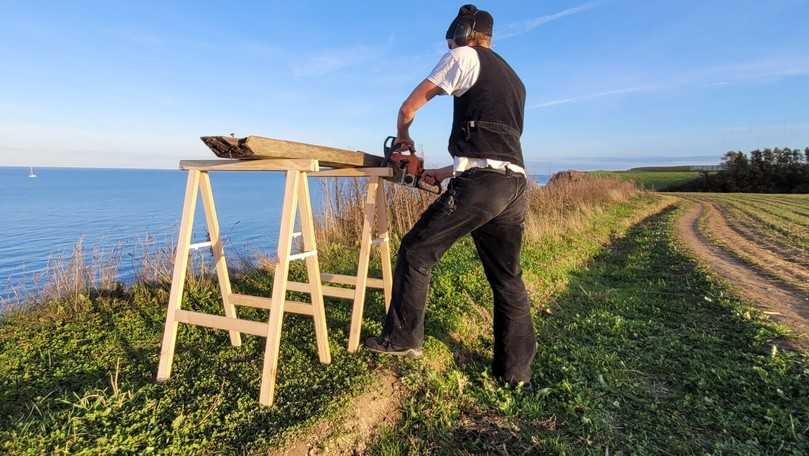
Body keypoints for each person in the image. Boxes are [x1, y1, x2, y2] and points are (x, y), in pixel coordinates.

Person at [364, 4, 536, 388]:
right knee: (508, 278)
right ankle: (515, 374)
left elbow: (408, 106)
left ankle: (402, 339)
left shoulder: (463, 56)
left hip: (482, 184)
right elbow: (492, 147)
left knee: (416, 251)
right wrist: (443, 173)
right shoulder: (515, 80)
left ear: (466, 31)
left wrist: (404, 137)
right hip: (514, 185)